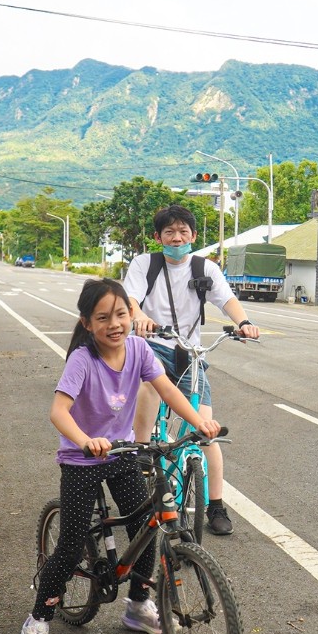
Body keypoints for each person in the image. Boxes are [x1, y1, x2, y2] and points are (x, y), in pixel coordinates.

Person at [18, 278, 220, 634]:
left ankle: (138, 603)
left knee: (148, 525)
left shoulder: (139, 349)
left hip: (123, 452)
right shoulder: (82, 358)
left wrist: (199, 422)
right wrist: (85, 441)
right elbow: (58, 411)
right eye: (103, 317)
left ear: (132, 315)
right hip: (82, 459)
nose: (115, 324)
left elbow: (168, 390)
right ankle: (38, 620)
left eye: (122, 314)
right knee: (72, 542)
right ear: (87, 322)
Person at [124, 204, 259, 536]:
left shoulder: (206, 268)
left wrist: (242, 322)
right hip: (152, 345)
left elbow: (227, 300)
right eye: (169, 232)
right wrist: (138, 317)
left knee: (205, 428)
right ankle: (142, 451)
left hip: (190, 354)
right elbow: (130, 298)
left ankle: (215, 506)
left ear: (194, 236)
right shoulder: (145, 264)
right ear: (158, 237)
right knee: (150, 386)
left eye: (183, 231)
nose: (177, 237)